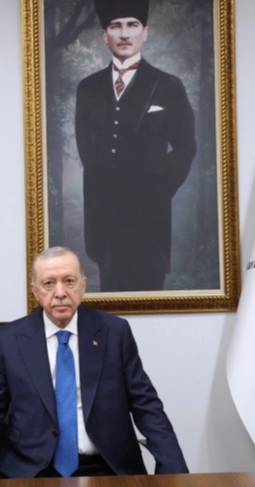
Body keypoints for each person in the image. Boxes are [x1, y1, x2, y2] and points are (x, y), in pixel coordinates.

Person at [0, 246, 188, 479]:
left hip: (105, 467)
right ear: (35, 291)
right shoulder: (9, 340)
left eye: (69, 281)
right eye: (49, 283)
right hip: (31, 470)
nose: (60, 292)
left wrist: (175, 472)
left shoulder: (114, 333)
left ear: (83, 285)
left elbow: (147, 406)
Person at [75, 0, 197, 292]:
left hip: (150, 221)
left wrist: (158, 187)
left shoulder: (168, 85)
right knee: (111, 303)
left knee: (150, 297)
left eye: (133, 25)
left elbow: (186, 147)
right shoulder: (88, 88)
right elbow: (87, 151)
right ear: (105, 35)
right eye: (115, 26)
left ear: (145, 32)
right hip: (105, 222)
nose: (124, 34)